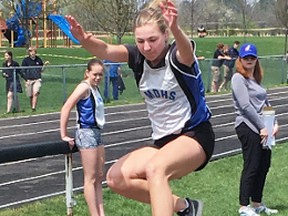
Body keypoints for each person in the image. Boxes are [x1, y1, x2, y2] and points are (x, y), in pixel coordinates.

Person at [66, 0, 215, 215]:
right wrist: (83, 40)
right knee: (116, 178)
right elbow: (105, 49)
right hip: (164, 143)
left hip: (194, 136)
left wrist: (175, 27)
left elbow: (187, 52)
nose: (147, 47)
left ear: (165, 36)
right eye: (141, 41)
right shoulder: (138, 58)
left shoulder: (178, 56)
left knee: (156, 169)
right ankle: (185, 207)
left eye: (153, 40)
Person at [231, 43, 279, 216]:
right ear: (240, 59)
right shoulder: (238, 78)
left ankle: (257, 203)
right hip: (247, 125)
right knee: (252, 165)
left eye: (252, 57)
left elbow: (265, 104)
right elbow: (245, 106)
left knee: (264, 165)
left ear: (256, 59)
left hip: (263, 127)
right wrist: (262, 127)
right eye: (246, 57)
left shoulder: (255, 79)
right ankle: (244, 206)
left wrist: (274, 123)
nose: (249, 60)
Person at [60, 58, 106, 216]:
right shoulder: (83, 87)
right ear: (87, 73)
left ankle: (101, 213)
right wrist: (64, 134)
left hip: (97, 132)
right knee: (91, 178)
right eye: (95, 74)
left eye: (101, 75)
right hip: (86, 132)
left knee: (100, 176)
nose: (98, 77)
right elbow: (66, 107)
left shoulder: (95, 88)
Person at [21, 46, 49, 112]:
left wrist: (45, 65)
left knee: (35, 92)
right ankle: (32, 107)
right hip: (29, 80)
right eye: (30, 51)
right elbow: (22, 71)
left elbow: (41, 70)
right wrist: (26, 80)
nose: (32, 53)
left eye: (33, 51)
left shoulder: (38, 60)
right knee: (30, 95)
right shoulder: (26, 60)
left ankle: (34, 108)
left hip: (37, 79)